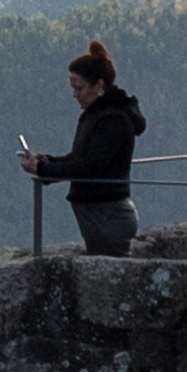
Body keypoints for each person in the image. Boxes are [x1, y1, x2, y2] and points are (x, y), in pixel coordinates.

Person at [23, 41, 145, 254]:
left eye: (79, 88)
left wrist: (43, 170)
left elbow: (90, 167)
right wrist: (49, 162)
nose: (75, 94)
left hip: (107, 215)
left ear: (98, 86)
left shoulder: (113, 120)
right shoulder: (98, 114)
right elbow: (80, 158)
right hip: (104, 214)